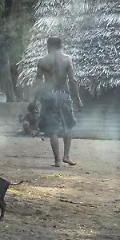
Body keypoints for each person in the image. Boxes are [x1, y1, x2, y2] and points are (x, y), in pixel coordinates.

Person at [35, 36, 83, 167]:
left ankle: (57, 160)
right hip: (63, 95)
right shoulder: (67, 59)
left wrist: (33, 100)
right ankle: (66, 156)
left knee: (53, 130)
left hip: (49, 96)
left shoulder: (43, 60)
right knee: (67, 126)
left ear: (49, 46)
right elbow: (72, 80)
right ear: (61, 46)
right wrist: (78, 100)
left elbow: (38, 81)